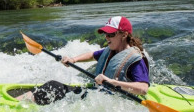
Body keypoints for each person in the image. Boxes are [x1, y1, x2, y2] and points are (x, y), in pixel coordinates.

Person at [19, 16, 150, 105]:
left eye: (111, 34)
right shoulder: (110, 50)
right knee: (53, 86)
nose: (106, 37)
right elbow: (92, 55)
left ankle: (16, 105)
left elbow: (143, 89)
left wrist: (112, 82)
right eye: (105, 34)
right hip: (97, 98)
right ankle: (18, 103)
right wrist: (73, 60)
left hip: (114, 105)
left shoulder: (135, 60)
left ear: (124, 35)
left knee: (54, 86)